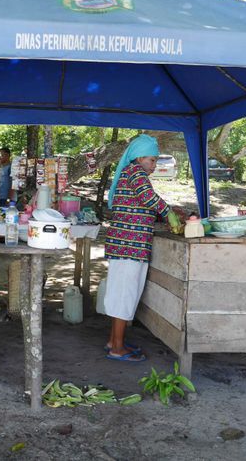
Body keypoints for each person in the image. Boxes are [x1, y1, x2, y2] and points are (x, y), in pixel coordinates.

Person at [103, 135, 181, 362]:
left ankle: (113, 341)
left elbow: (144, 200)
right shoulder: (135, 172)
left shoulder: (132, 173)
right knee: (124, 295)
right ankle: (117, 348)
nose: (154, 165)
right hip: (129, 246)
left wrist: (166, 212)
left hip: (128, 246)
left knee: (122, 294)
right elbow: (148, 197)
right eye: (151, 160)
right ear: (139, 157)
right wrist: (168, 213)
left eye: (156, 161)